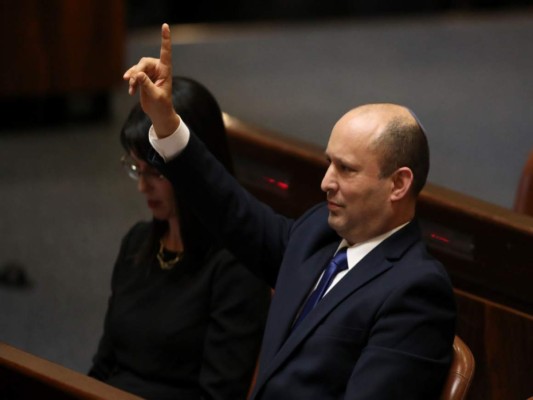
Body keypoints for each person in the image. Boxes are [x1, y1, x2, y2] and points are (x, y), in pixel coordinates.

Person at [123, 24, 457, 399]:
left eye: (346, 169)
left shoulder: (416, 291)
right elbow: (233, 211)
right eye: (329, 163)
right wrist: (165, 121)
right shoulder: (319, 231)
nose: (326, 182)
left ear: (398, 184)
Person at [89, 76, 271, 400]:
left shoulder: (236, 267)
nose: (142, 186)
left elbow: (219, 395)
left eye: (156, 173)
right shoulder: (136, 243)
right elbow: (104, 365)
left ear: (199, 166)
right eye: (136, 168)